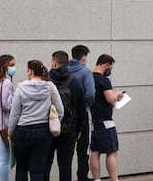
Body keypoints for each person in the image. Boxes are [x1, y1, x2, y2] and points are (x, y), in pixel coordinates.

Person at [9, 59, 64, 181]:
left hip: (22, 131)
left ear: (30, 71)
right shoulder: (50, 87)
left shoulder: (21, 88)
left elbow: (15, 114)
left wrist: (11, 132)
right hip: (43, 131)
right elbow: (60, 110)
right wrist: (54, 123)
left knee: (21, 168)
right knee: (38, 170)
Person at [90, 55, 124, 181]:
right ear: (106, 65)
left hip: (91, 121)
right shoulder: (103, 80)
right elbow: (110, 99)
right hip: (105, 122)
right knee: (112, 152)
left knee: (94, 152)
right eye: (111, 67)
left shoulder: (88, 77)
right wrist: (117, 95)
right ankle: (114, 179)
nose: (110, 70)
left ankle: (96, 179)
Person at [47, 51, 77, 181]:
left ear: (54, 63)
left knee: (45, 165)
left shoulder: (46, 81)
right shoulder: (74, 81)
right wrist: (79, 128)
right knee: (65, 166)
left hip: (48, 128)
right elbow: (81, 106)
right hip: (68, 128)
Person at [68, 45, 95, 181]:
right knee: (83, 148)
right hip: (82, 114)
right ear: (84, 57)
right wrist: (86, 105)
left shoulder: (65, 69)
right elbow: (91, 93)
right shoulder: (86, 71)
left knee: (67, 150)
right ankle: (82, 177)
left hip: (66, 115)